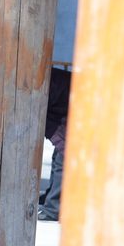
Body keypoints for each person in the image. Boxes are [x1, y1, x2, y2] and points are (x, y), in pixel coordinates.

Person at [39, 67, 71, 221]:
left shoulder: (45, 83)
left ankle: (53, 208)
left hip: (71, 112)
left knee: (62, 160)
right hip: (60, 110)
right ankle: (51, 198)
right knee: (58, 156)